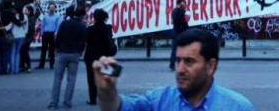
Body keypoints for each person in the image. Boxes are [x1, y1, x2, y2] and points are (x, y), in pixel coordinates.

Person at [93, 27, 254, 111]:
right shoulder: (160, 100)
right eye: (178, 61)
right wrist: (106, 90)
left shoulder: (237, 107)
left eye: (189, 61)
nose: (180, 69)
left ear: (210, 66)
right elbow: (119, 108)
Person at [48, 7, 87, 110]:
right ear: (82, 16)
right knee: (71, 79)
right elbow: (83, 42)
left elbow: (58, 36)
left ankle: (54, 103)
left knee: (57, 79)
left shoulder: (65, 23)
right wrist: (80, 51)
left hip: (62, 52)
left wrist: (57, 48)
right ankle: (67, 102)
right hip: (74, 54)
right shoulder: (82, 26)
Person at [84, 8, 116, 106]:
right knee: (106, 77)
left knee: (91, 78)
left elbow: (87, 41)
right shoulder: (108, 28)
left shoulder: (90, 29)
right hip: (104, 56)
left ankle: (92, 98)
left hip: (91, 56)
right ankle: (107, 97)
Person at [38, 3, 62, 69]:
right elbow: (42, 25)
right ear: (48, 8)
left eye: (53, 7)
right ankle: (41, 65)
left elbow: (58, 26)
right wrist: (42, 33)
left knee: (52, 50)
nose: (51, 9)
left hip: (53, 34)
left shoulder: (57, 16)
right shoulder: (45, 16)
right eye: (50, 7)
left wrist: (56, 34)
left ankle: (51, 65)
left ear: (55, 9)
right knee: (43, 50)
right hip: (45, 34)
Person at [169, 0, 189, 70]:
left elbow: (173, 21)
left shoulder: (173, 11)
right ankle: (184, 65)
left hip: (175, 32)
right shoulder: (182, 11)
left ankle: (172, 65)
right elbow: (183, 22)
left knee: (174, 50)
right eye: (183, 3)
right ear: (181, 3)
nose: (184, 5)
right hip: (181, 33)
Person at [10, 4, 27, 74]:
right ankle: (16, 69)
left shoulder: (14, 16)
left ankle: (12, 69)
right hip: (21, 35)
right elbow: (26, 28)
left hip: (14, 35)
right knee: (17, 53)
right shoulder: (25, 17)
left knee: (12, 53)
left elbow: (10, 26)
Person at [20, 4, 35, 73]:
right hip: (26, 37)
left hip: (28, 37)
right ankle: (22, 66)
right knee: (22, 51)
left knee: (25, 51)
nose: (24, 11)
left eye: (26, 10)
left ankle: (28, 66)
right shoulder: (26, 17)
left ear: (29, 11)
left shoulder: (31, 18)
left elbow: (30, 28)